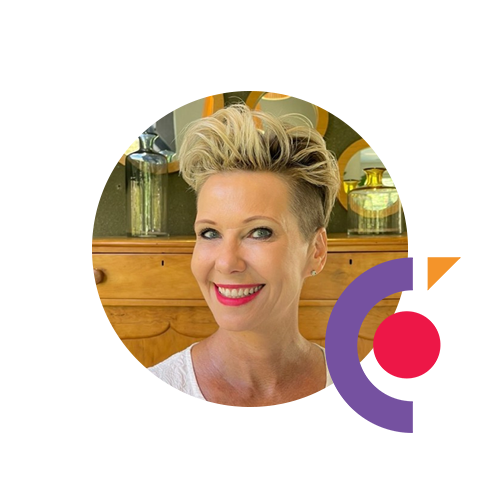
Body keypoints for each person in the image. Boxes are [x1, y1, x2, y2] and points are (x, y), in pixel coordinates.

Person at [100, 103, 340, 409]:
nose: (226, 262)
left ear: (316, 250)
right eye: (210, 233)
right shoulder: (142, 401)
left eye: (259, 232)